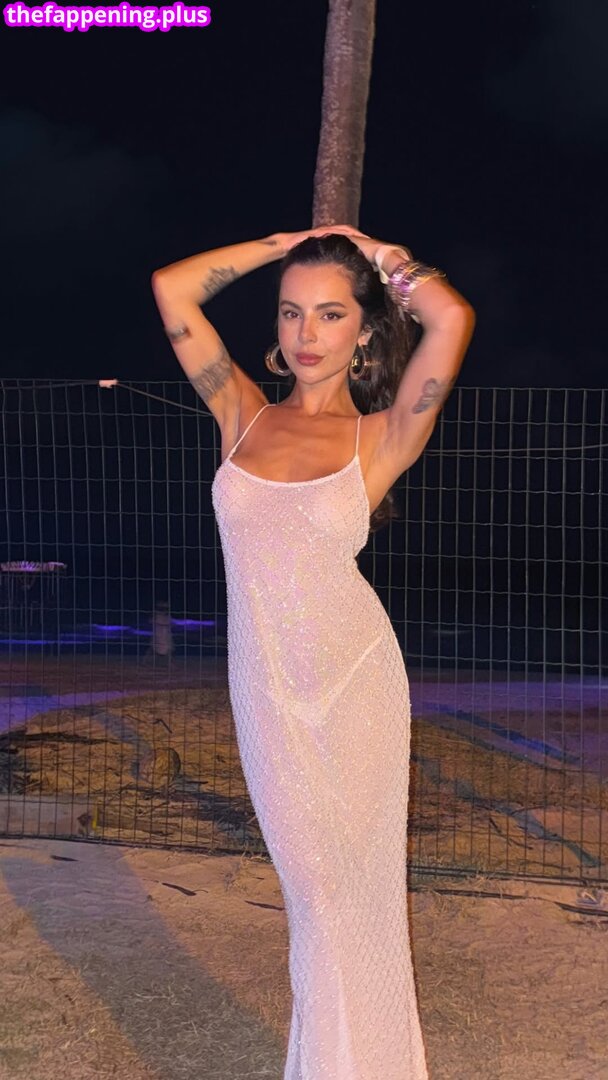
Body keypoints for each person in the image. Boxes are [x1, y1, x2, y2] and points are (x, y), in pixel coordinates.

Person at [151, 225, 475, 1079]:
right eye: (292, 312)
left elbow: (450, 318)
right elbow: (172, 289)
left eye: (331, 314)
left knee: (350, 898)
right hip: (269, 695)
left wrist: (381, 256)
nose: (306, 332)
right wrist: (283, 243)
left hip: (356, 687)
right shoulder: (241, 413)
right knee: (318, 897)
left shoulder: (383, 436)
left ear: (363, 332)